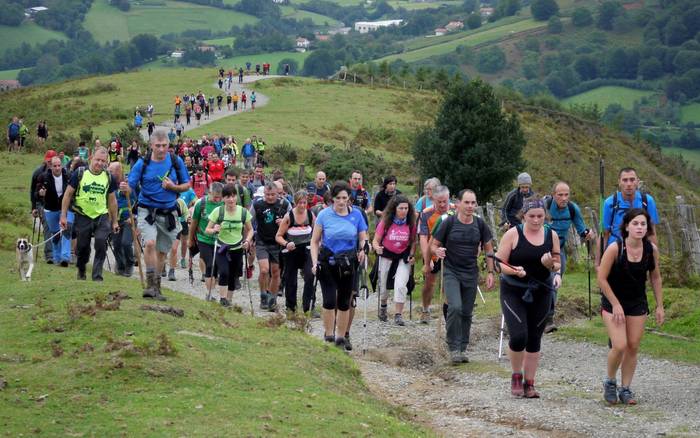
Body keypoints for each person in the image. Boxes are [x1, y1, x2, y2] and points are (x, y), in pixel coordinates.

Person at [495, 197, 561, 398]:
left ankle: (529, 383)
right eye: (531, 216)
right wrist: (515, 271)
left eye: (540, 216)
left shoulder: (552, 235)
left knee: (534, 338)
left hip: (541, 290)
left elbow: (557, 261)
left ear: (545, 216)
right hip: (513, 289)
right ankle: (516, 375)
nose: (536, 220)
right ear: (523, 215)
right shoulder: (513, 234)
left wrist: (552, 266)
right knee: (518, 336)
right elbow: (499, 263)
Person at [597, 208, 663, 405]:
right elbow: (601, 278)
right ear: (627, 226)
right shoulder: (615, 248)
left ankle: (625, 388)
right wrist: (615, 304)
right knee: (619, 345)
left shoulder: (651, 250)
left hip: (637, 302)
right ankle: (609, 382)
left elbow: (655, 276)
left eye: (643, 224)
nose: (640, 228)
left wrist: (660, 306)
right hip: (613, 301)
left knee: (633, 346)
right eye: (635, 224)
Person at [431, 189, 495, 363]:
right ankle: (453, 347)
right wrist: (438, 250)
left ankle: (462, 347)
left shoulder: (480, 225)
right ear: (458, 203)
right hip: (451, 270)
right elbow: (433, 245)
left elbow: (489, 250)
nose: (470, 206)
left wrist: (490, 272)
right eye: (466, 202)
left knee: (466, 312)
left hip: (471, 272)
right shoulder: (448, 223)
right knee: (455, 307)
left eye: (473, 203)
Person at [128, 130, 190, 300]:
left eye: (164, 146)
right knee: (149, 243)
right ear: (151, 146)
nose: (161, 149)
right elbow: (130, 185)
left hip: (169, 212)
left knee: (162, 252)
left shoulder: (176, 161)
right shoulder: (142, 163)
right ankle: (150, 286)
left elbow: (187, 185)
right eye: (158, 146)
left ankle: (156, 287)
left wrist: (173, 187)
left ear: (168, 146)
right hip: (147, 210)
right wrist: (125, 189)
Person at [311, 181, 368, 349]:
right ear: (332, 199)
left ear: (349, 198)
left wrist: (363, 248)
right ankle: (328, 336)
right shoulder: (324, 215)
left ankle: (340, 339)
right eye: (338, 198)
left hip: (348, 263)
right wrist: (314, 263)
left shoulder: (357, 215)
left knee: (344, 302)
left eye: (345, 198)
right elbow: (314, 242)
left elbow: (363, 237)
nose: (342, 202)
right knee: (329, 301)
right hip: (327, 262)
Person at [543, 181, 596, 333]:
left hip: (558, 250)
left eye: (566, 194)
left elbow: (581, 229)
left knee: (554, 283)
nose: (564, 198)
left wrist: (587, 234)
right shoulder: (544, 206)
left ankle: (548, 319)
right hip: (540, 250)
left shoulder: (573, 209)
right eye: (560, 195)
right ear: (553, 195)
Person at [60, 147, 119, 281]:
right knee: (82, 247)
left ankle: (97, 275)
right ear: (91, 157)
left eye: (103, 161)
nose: (99, 163)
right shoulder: (79, 173)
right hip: (83, 215)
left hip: (101, 216)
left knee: (100, 242)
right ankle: (81, 271)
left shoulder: (108, 177)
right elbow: (68, 194)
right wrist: (63, 216)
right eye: (97, 160)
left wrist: (114, 221)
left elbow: (112, 201)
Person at [205, 184, 254, 306]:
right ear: (223, 198)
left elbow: (251, 230)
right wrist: (215, 229)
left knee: (233, 275)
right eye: (227, 197)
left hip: (237, 248)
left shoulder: (243, 212)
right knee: (224, 272)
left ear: (236, 197)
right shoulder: (218, 211)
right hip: (222, 247)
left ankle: (229, 300)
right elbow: (207, 229)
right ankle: (222, 299)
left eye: (233, 196)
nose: (231, 199)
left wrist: (247, 241)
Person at [372, 194, 416, 326]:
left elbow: (413, 242)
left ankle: (398, 314)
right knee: (383, 285)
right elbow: (375, 240)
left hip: (403, 256)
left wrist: (412, 254)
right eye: (401, 208)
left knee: (401, 285)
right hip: (386, 255)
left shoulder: (410, 224)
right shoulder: (385, 222)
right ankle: (383, 306)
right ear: (394, 209)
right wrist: (376, 248)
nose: (404, 211)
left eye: (406, 208)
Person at [418, 185, 454, 324]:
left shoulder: (456, 210)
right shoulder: (426, 213)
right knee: (429, 284)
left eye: (445, 201)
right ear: (433, 199)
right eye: (439, 201)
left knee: (448, 284)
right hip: (432, 252)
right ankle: (425, 309)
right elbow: (423, 237)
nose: (442, 204)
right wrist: (427, 260)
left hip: (450, 254)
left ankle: (448, 311)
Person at [275, 190, 316, 314]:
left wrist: (317, 244)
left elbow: (317, 232)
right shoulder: (289, 217)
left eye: (304, 203)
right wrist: (287, 243)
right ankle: (291, 307)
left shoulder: (310, 215)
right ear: (295, 203)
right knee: (291, 279)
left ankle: (308, 307)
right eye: (299, 203)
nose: (302, 206)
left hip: (307, 249)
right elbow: (278, 236)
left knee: (310, 275)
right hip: (292, 250)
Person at [601, 168, 659, 253]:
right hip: (616, 252)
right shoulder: (610, 203)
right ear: (619, 182)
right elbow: (604, 234)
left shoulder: (647, 201)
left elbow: (651, 232)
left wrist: (655, 260)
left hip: (641, 252)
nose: (629, 184)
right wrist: (598, 263)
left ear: (637, 182)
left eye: (632, 180)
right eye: (625, 180)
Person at [252, 182, 291, 311]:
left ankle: (272, 299)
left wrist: (285, 223)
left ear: (278, 193)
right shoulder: (257, 205)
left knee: (275, 272)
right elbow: (249, 220)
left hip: (277, 243)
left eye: (273, 194)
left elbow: (294, 219)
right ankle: (263, 294)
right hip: (262, 241)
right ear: (264, 194)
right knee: (264, 270)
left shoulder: (284, 204)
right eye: (267, 195)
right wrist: (249, 238)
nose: (270, 197)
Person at [37, 156, 72, 267]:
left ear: (61, 165)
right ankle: (57, 257)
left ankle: (65, 257)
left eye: (59, 165)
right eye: (54, 166)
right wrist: (40, 193)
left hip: (65, 208)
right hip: (50, 209)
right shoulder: (44, 177)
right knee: (55, 234)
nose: (57, 168)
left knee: (67, 230)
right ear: (50, 166)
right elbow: (36, 193)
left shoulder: (68, 176)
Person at [189, 182, 224, 291]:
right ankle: (210, 293)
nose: (217, 200)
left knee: (217, 267)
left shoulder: (224, 204)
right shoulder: (201, 203)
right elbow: (194, 223)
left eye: (220, 197)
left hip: (219, 240)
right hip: (203, 238)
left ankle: (212, 290)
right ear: (209, 193)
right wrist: (190, 239)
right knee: (210, 264)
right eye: (215, 197)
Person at [108, 162, 136, 277]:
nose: (108, 173)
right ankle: (120, 265)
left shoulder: (129, 182)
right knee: (117, 244)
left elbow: (136, 199)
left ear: (118, 171)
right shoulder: (109, 183)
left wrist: (133, 215)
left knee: (126, 243)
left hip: (128, 219)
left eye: (111, 171)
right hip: (114, 219)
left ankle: (130, 264)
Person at [31, 150, 58, 263]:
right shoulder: (38, 173)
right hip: (41, 204)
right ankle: (49, 255)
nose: (50, 164)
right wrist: (33, 207)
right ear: (45, 160)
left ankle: (57, 253)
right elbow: (33, 191)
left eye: (52, 161)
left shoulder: (59, 172)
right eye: (48, 161)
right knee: (47, 227)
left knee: (56, 229)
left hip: (56, 205)